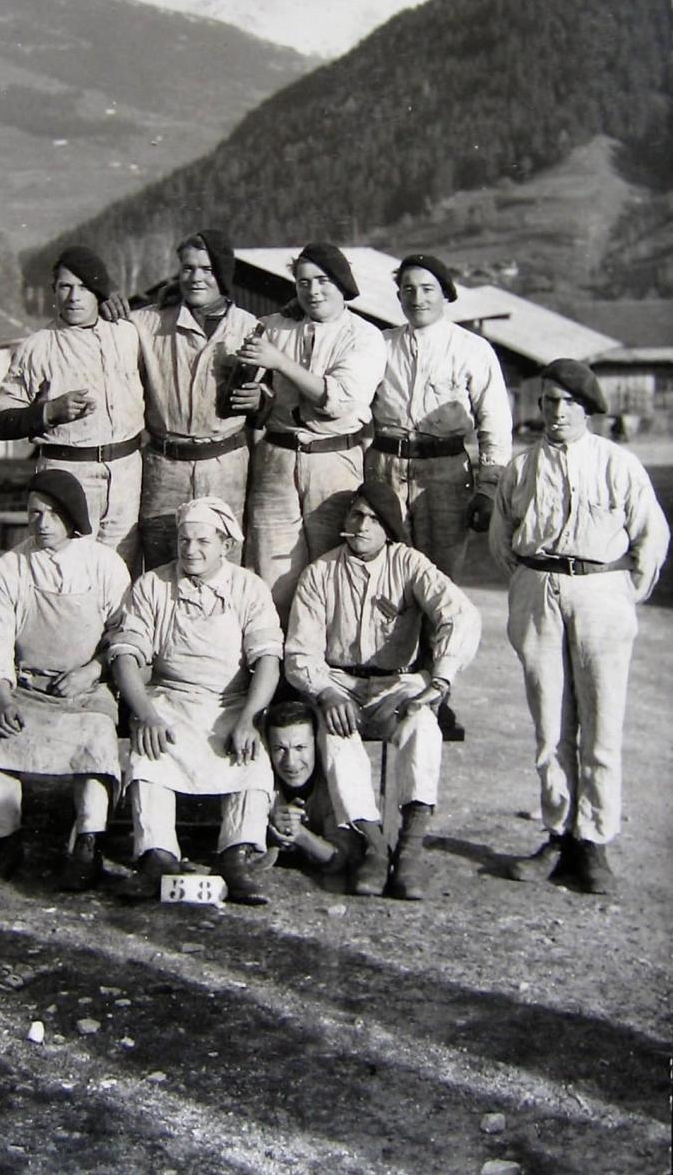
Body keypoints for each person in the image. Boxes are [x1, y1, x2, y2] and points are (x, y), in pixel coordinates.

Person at [490, 358, 669, 895]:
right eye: (549, 401)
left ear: (588, 408)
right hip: (540, 589)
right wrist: (532, 584)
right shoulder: (521, 469)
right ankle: (558, 833)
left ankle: (594, 841)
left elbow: (650, 539)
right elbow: (503, 542)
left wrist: (619, 592)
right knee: (550, 724)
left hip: (602, 592)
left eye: (569, 402)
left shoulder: (618, 464)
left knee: (602, 723)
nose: (558, 411)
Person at [285, 482, 481, 900]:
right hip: (339, 683)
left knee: (422, 726)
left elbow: (460, 614)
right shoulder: (321, 572)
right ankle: (373, 846)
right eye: (355, 515)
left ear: (390, 527)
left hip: (397, 683)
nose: (362, 525)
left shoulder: (409, 563)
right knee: (337, 736)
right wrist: (324, 691)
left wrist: (441, 677)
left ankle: (410, 848)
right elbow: (300, 650)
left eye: (374, 519)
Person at [108, 497, 283, 903]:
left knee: (251, 759)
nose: (191, 550)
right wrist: (146, 714)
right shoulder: (153, 586)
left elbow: (269, 660)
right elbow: (126, 656)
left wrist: (249, 718)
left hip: (232, 703)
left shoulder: (248, 588)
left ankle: (235, 854)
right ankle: (157, 855)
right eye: (184, 540)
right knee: (152, 752)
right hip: (171, 697)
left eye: (203, 541)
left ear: (225, 544)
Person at [0, 470, 130, 889]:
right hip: (25, 687)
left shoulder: (104, 565)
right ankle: (4, 840)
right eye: (34, 514)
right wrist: (3, 699)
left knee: (97, 739)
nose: (41, 523)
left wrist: (93, 670)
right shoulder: (9, 568)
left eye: (53, 514)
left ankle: (88, 843)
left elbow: (126, 633)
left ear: (73, 517)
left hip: (86, 689)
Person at [238, 242, 387, 621]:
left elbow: (337, 400)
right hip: (277, 457)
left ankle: (326, 670)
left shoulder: (364, 336)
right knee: (273, 573)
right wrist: (257, 394)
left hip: (333, 460)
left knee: (333, 569)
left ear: (342, 285)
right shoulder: (274, 327)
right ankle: (279, 671)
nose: (313, 291)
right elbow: (254, 386)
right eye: (303, 282)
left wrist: (279, 362)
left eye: (323, 281)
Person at [0, 245, 145, 568]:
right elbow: (2, 421)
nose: (74, 297)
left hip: (126, 472)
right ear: (54, 291)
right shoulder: (38, 347)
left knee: (120, 573)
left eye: (85, 287)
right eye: (65, 286)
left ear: (100, 292)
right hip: (69, 474)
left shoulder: (127, 334)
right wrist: (48, 412)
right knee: (70, 572)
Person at [366, 253, 512, 578]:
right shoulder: (378, 344)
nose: (418, 298)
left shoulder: (472, 349)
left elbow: (495, 424)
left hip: (446, 475)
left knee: (438, 579)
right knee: (384, 574)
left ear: (445, 294)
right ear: (399, 295)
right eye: (409, 289)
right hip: (384, 469)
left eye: (428, 289)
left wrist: (489, 489)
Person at [131, 228, 260, 567]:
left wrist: (261, 400)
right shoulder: (147, 322)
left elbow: (273, 394)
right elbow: (107, 331)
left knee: (222, 565)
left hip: (225, 465)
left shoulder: (251, 327)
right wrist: (107, 304)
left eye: (207, 269)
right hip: (165, 468)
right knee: (162, 562)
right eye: (188, 268)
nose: (196, 278)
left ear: (224, 274)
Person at [264, 700, 366, 889]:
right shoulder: (262, 779)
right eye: (280, 749)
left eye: (300, 748)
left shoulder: (332, 785)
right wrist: (269, 832)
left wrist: (301, 835)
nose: (291, 762)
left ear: (316, 746)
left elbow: (340, 859)